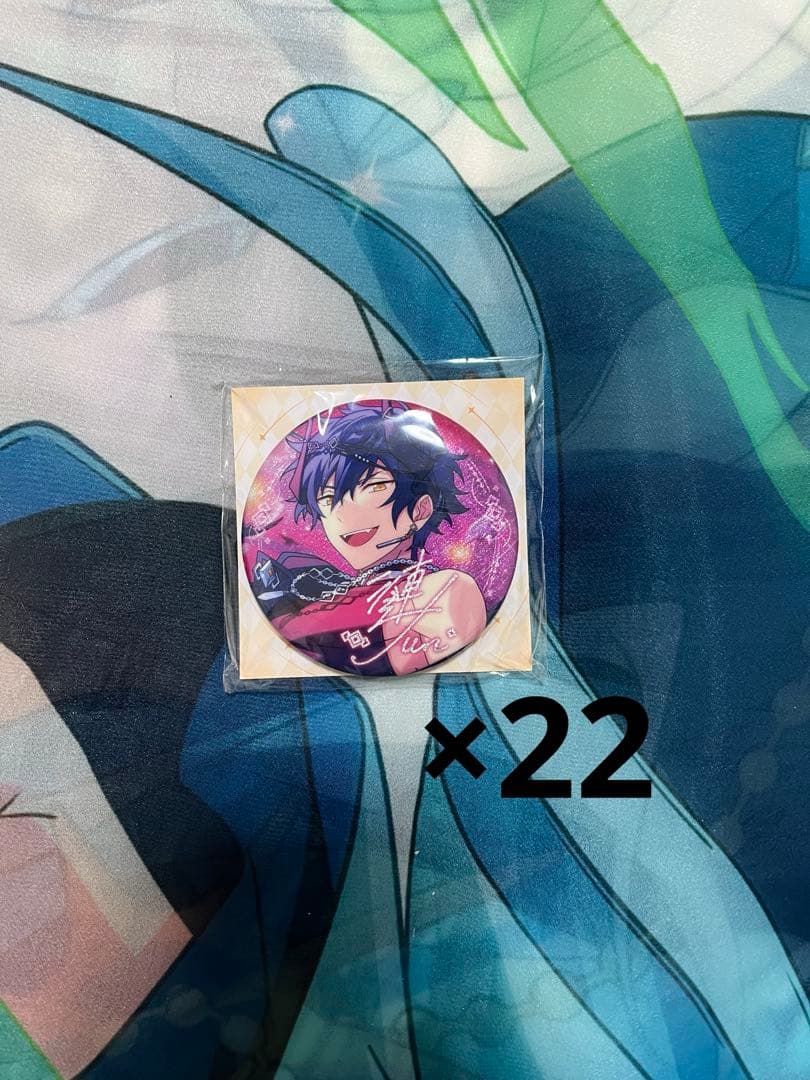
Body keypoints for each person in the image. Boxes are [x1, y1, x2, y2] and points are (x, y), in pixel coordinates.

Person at [252, 400, 486, 675]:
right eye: (327, 498)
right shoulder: (324, 585)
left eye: (374, 486)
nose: (342, 514)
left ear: (421, 509)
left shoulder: (446, 590)